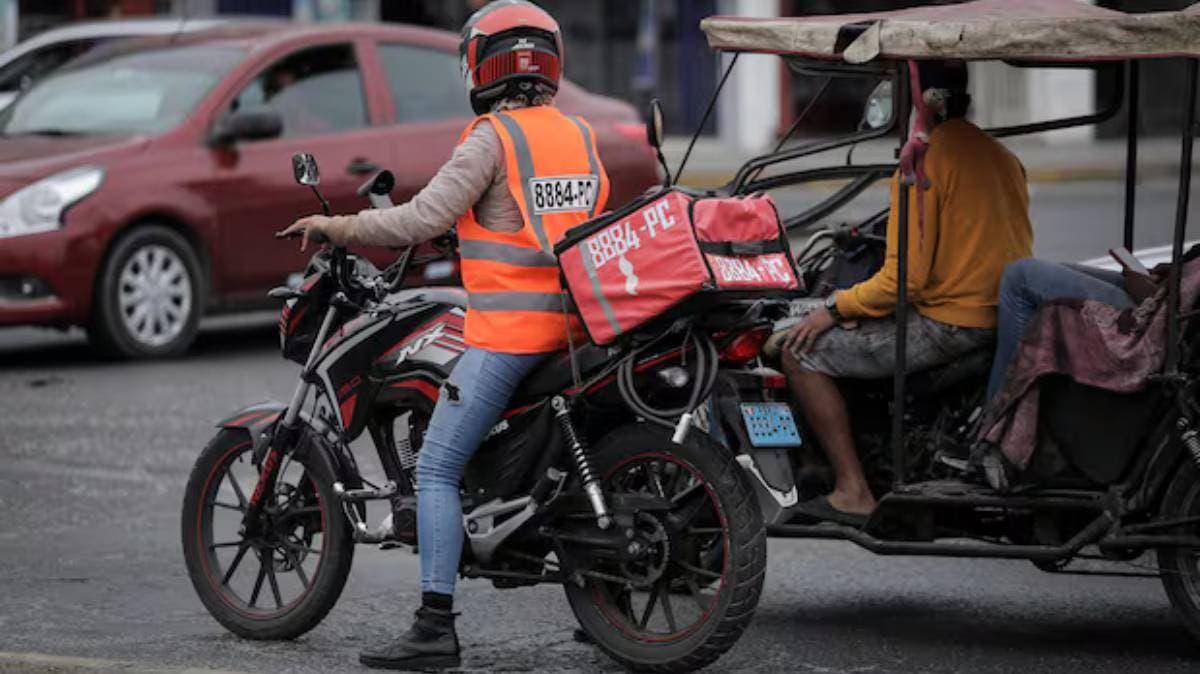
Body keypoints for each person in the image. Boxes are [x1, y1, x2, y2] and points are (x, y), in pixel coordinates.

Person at [278, 2, 609, 669]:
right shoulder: (578, 133)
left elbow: (421, 215)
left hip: (511, 333)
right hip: (577, 328)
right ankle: (604, 602)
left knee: (435, 466)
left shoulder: (491, 136)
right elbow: (555, 217)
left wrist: (337, 227)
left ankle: (434, 626)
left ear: (480, 64)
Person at [779, 61, 1033, 525]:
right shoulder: (1003, 157)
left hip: (951, 325)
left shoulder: (923, 163)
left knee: (802, 353)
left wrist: (834, 309)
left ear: (924, 103)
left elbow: (904, 282)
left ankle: (852, 489)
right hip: (998, 315)